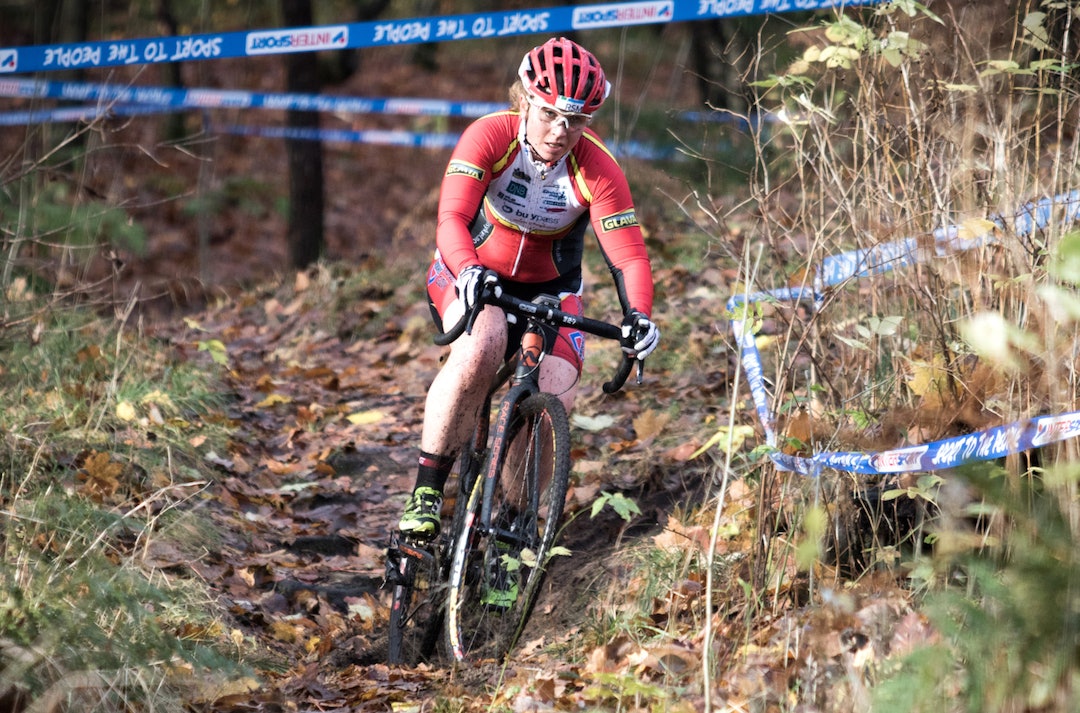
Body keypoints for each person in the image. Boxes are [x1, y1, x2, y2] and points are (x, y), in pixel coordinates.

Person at [397, 36, 660, 542]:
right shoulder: (489, 136)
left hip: (551, 289)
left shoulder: (597, 168)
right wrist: (468, 269)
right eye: (548, 115)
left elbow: (627, 254)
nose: (561, 132)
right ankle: (427, 490)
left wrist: (641, 315)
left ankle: (511, 527)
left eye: (577, 121)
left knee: (557, 387)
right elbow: (451, 216)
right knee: (484, 343)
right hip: (469, 267)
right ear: (524, 99)